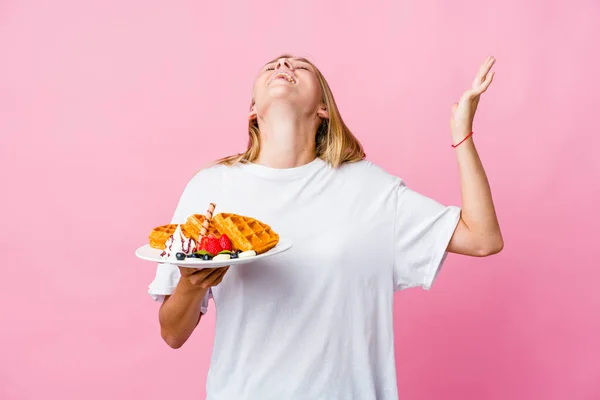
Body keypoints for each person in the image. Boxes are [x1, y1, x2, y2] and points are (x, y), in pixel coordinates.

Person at [148, 54, 503, 400]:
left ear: (323, 108)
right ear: (252, 109)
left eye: (299, 66)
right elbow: (172, 334)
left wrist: (463, 136)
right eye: (271, 66)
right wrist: (191, 283)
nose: (283, 66)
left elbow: (482, 238)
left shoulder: (368, 188)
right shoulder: (210, 188)